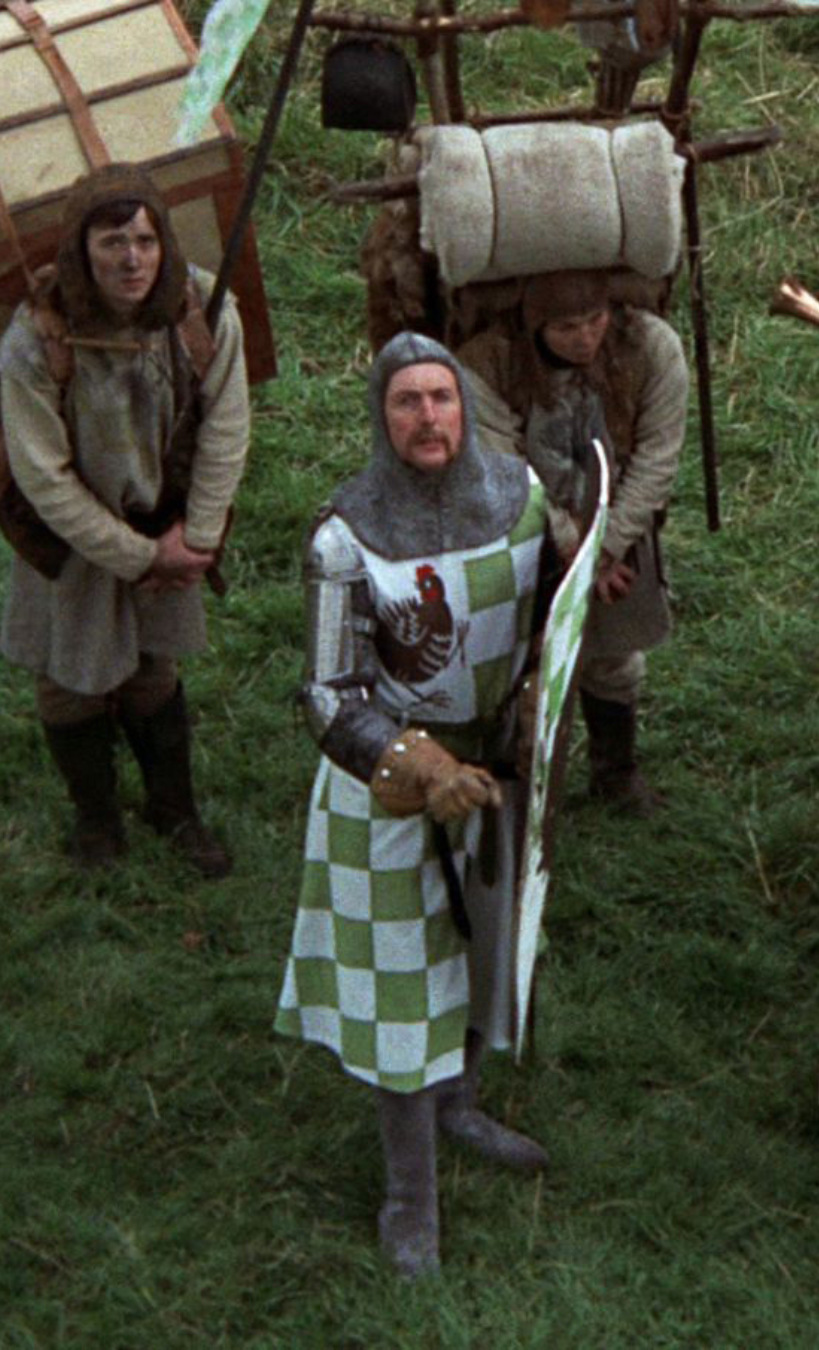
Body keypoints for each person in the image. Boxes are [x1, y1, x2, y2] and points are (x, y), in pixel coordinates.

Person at [274, 334, 556, 1277]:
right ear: (381, 416)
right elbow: (328, 694)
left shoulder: (521, 500)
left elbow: (550, 625)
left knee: (481, 957)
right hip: (386, 793)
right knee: (402, 995)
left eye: (441, 397)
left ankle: (459, 1103)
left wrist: (535, 704)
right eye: (406, 402)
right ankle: (409, 1198)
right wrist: (421, 765)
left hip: (495, 776)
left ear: (464, 406)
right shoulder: (344, 537)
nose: (428, 417)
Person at [1, 165, 249, 875]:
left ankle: (175, 810)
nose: (133, 260)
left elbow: (227, 425)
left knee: (152, 663)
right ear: (81, 251)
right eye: (112, 243)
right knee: (68, 674)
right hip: (69, 533)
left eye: (145, 240)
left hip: (163, 522)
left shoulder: (202, 310)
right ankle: (97, 820)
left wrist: (195, 539)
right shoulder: (34, 339)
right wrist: (137, 557)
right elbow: (43, 476)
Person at [459, 269, 688, 815]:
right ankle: (516, 778)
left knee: (614, 654)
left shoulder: (652, 347)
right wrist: (569, 547)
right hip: (520, 527)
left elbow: (657, 455)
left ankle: (616, 772)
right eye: (565, 328)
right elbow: (505, 469)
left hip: (617, 525)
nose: (585, 338)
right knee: (514, 657)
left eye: (595, 320)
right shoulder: (486, 363)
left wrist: (607, 548)